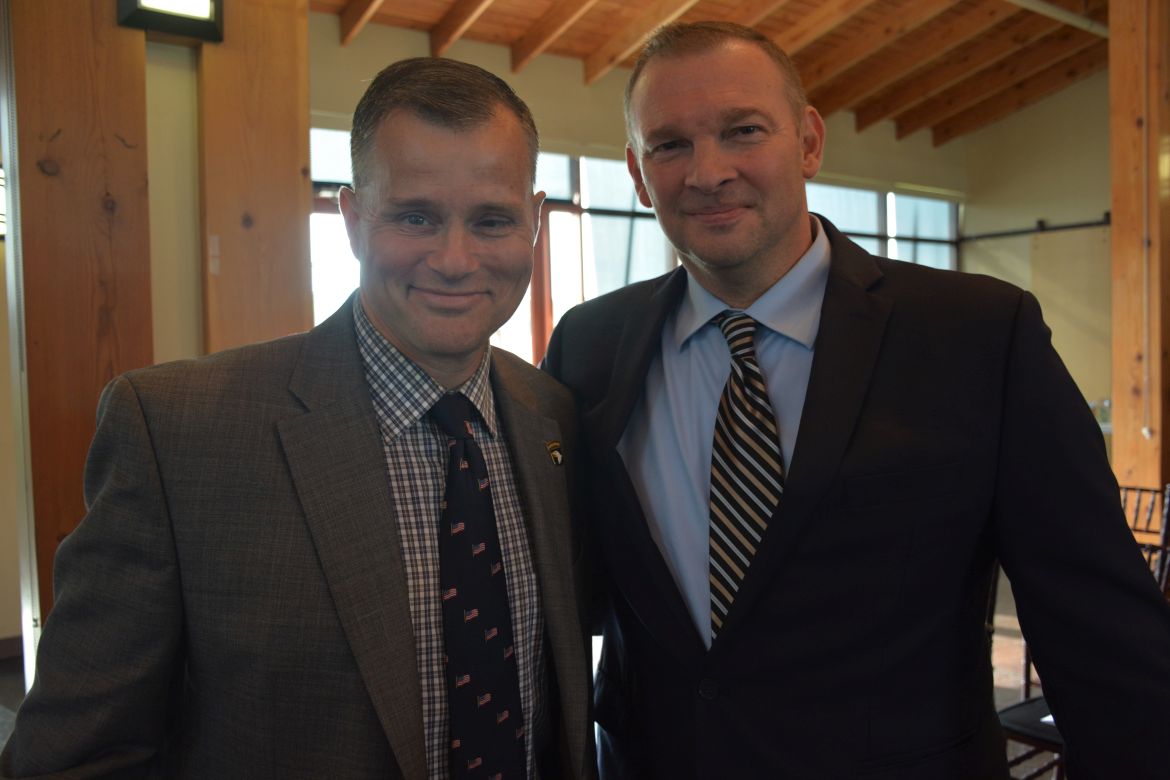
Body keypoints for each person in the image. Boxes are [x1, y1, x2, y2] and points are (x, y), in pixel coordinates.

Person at [543, 20, 1170, 779]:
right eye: (669, 145)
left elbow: (1099, 631)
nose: (708, 172)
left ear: (809, 142)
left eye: (743, 131)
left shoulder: (976, 334)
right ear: (638, 176)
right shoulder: (589, 346)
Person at [2, 57, 593, 780]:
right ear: (352, 220)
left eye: (492, 220)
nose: (454, 258)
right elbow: (76, 755)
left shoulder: (551, 416)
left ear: (534, 222)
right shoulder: (178, 433)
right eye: (415, 217)